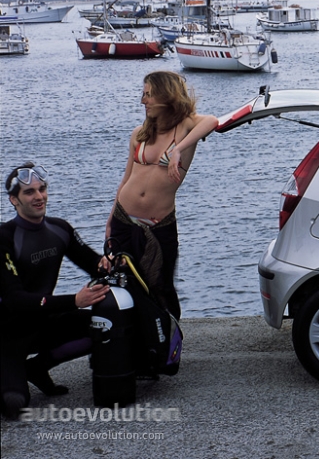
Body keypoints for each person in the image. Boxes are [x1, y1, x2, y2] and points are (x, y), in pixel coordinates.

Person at [105, 71, 218, 320]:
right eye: (143, 94)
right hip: (125, 219)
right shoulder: (140, 133)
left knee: (161, 286)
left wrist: (178, 149)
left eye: (148, 95)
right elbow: (126, 179)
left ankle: (167, 348)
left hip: (159, 224)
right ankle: (132, 343)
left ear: (166, 96)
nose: (143, 101)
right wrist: (111, 219)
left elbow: (212, 120)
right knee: (123, 283)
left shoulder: (186, 127)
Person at [1, 163, 110, 419]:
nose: (39, 197)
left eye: (42, 189)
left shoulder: (59, 229)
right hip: (8, 335)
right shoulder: (4, 238)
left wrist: (108, 263)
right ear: (14, 200)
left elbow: (92, 263)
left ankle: (36, 369)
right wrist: (74, 301)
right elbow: (15, 300)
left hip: (42, 322)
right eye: (29, 192)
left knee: (103, 326)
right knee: (15, 405)